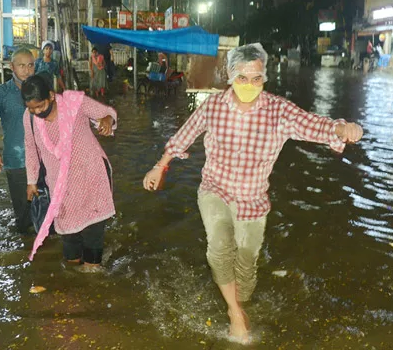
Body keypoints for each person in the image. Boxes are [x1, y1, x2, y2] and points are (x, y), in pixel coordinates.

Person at [142, 43, 364, 344]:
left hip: (254, 200)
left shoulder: (278, 111)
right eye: (243, 78)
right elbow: (184, 135)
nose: (249, 85)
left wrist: (342, 129)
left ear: (264, 78)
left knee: (246, 268)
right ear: (230, 76)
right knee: (219, 247)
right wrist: (159, 167)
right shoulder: (213, 106)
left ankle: (239, 301)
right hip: (215, 190)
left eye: (256, 78)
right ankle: (235, 313)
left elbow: (315, 124)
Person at [22, 72, 117, 272]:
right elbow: (31, 148)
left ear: (51, 96)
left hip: (91, 175)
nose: (37, 112)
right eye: (32, 109)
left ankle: (93, 271)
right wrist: (31, 181)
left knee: (93, 232)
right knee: (70, 246)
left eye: (40, 106)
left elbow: (107, 112)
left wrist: (107, 121)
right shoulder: (29, 118)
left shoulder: (75, 103)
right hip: (61, 186)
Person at [0, 48, 37, 234]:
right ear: (11, 67)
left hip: (42, 157)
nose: (26, 70)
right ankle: (27, 247)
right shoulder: (2, 93)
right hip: (16, 159)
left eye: (30, 65)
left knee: (46, 204)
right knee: (23, 208)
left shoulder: (41, 89)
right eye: (21, 65)